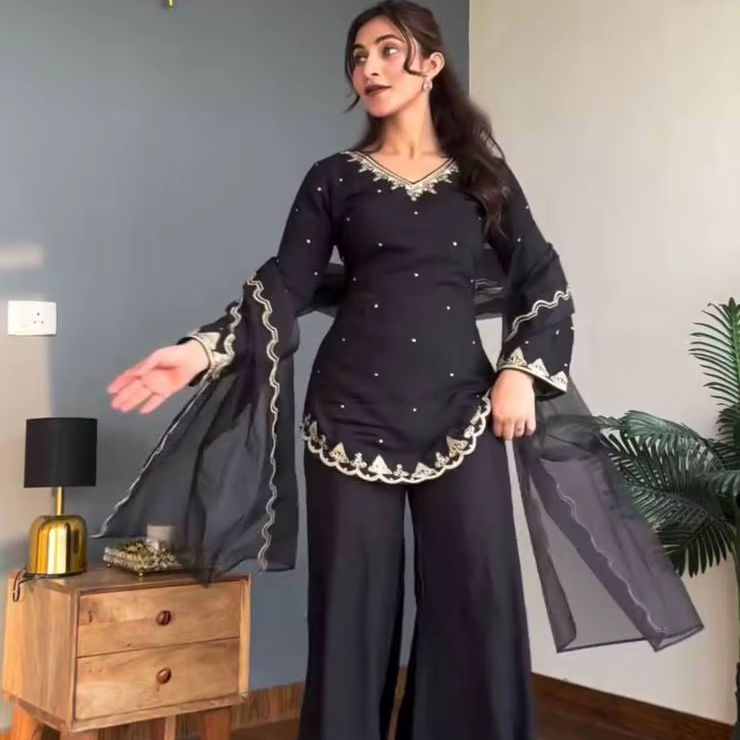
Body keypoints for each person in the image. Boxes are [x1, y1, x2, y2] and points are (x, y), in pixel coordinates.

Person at [105, 3, 702, 739]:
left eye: (389, 50)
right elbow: (286, 286)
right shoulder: (333, 179)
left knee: (475, 597)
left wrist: (520, 372)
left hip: (463, 411)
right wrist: (201, 351)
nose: (370, 67)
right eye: (358, 56)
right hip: (348, 416)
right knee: (349, 608)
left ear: (431, 65)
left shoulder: (481, 178)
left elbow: (542, 278)